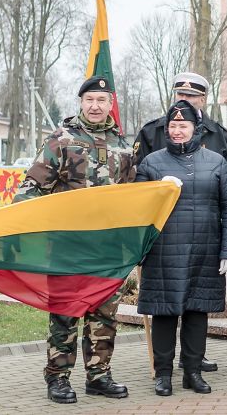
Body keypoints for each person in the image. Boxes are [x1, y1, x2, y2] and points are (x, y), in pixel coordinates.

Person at [14, 75, 135, 404]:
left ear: (110, 104)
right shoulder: (60, 139)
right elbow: (30, 190)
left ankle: (98, 375)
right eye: (89, 100)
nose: (95, 106)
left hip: (109, 250)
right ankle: (58, 378)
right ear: (81, 103)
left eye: (101, 100)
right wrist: (26, 229)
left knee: (104, 314)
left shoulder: (124, 144)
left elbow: (132, 198)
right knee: (65, 313)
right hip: (67, 248)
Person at [135, 101, 227, 396]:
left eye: (183, 126)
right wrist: (156, 192)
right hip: (163, 250)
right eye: (173, 126)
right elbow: (138, 210)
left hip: (206, 250)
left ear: (196, 129)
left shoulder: (216, 162)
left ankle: (193, 372)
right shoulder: (152, 163)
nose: (177, 131)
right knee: (165, 313)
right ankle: (163, 374)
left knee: (198, 312)